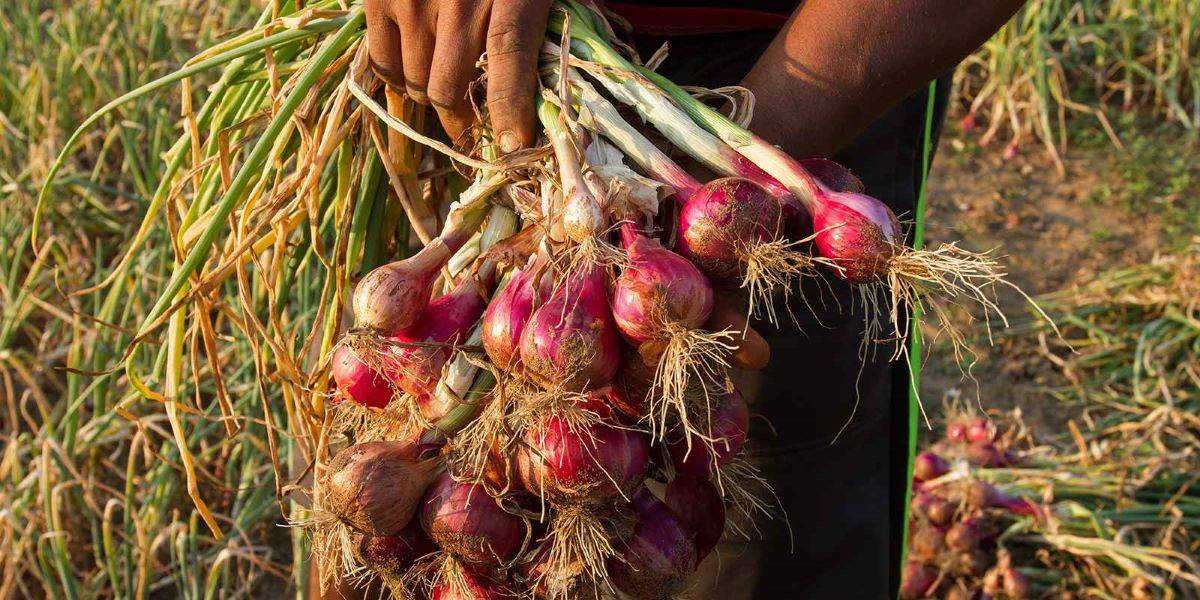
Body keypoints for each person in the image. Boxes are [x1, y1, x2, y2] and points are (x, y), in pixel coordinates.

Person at [345, 1, 1026, 597]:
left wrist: (715, 185)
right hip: (432, 50)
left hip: (806, 56)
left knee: (753, 531)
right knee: (374, 510)